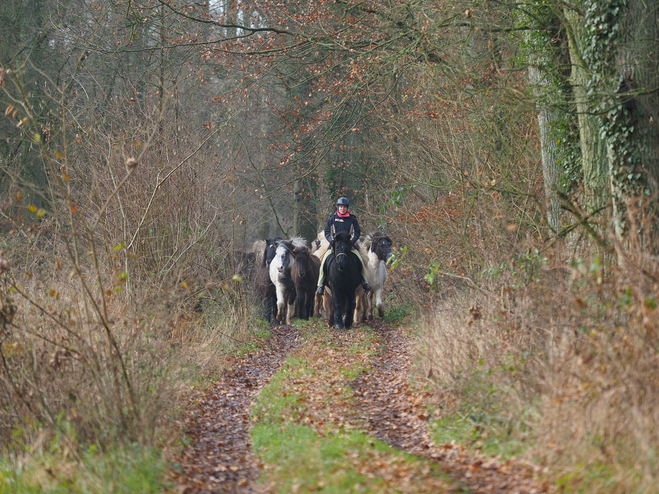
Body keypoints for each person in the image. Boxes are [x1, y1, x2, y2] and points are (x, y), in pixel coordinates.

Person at [316, 197, 371, 295]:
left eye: (344, 207)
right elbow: (327, 232)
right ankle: (321, 285)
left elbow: (357, 232)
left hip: (349, 246)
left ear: (347, 208)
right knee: (323, 262)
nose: (342, 209)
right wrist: (331, 241)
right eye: (341, 207)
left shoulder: (352, 219)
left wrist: (352, 241)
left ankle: (364, 282)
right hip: (334, 246)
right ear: (337, 207)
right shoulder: (332, 219)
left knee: (361, 261)